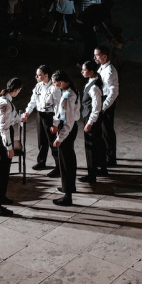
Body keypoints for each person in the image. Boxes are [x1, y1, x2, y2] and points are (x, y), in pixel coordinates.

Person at [0, 77, 25, 217]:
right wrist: (9, 147)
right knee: (0, 172)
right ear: (16, 90)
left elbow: (8, 119)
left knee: (4, 171)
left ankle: (1, 198)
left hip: (2, 136)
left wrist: (19, 119)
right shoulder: (5, 103)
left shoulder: (5, 99)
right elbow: (3, 127)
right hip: (0, 138)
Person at [49, 70, 80, 206]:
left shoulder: (68, 96)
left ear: (61, 82)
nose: (54, 86)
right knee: (67, 160)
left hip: (67, 130)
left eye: (55, 83)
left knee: (66, 163)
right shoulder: (71, 90)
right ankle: (67, 187)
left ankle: (68, 196)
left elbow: (68, 122)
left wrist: (60, 138)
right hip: (67, 128)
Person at [25, 65, 61, 176]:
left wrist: (55, 123)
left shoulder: (54, 88)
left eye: (39, 75)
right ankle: (41, 161)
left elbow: (58, 106)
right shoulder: (38, 86)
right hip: (40, 115)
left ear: (46, 75)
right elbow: (33, 101)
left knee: (53, 141)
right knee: (41, 140)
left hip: (50, 116)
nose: (36, 76)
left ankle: (59, 167)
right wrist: (27, 112)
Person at [79, 60, 106, 184]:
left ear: (91, 72)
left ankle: (92, 174)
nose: (82, 72)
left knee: (90, 146)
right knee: (98, 143)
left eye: (84, 70)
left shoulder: (94, 87)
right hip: (91, 117)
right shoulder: (93, 81)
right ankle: (102, 168)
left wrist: (89, 123)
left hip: (91, 119)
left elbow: (96, 107)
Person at [94, 45, 119, 167]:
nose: (95, 57)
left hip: (106, 103)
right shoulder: (102, 68)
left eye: (97, 55)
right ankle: (106, 155)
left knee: (107, 131)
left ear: (105, 56)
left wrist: (104, 107)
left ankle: (111, 158)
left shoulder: (110, 71)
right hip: (102, 101)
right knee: (103, 131)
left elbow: (113, 92)